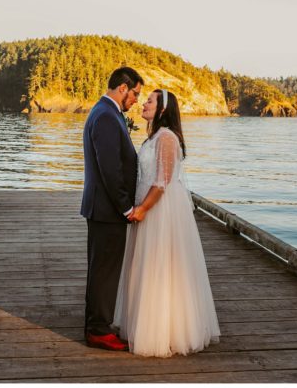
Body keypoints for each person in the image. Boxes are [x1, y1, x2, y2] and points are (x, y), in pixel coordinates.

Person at [114, 89, 220, 357]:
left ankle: (165, 332)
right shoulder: (153, 138)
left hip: (159, 211)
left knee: (161, 269)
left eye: (150, 100)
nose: (144, 103)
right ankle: (146, 324)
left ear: (162, 110)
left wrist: (142, 210)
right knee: (146, 267)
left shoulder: (167, 138)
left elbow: (162, 182)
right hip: (147, 205)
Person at [80, 66, 143, 351]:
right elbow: (110, 169)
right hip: (107, 209)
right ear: (122, 88)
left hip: (103, 208)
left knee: (102, 269)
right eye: (135, 94)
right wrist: (127, 207)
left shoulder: (107, 113)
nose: (136, 101)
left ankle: (97, 324)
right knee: (104, 271)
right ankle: (97, 331)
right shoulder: (106, 116)